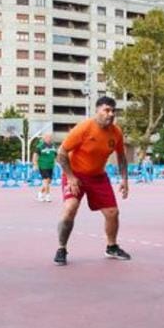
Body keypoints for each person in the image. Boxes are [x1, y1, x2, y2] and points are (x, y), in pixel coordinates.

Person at [54, 96, 131, 265]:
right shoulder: (84, 128)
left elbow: (121, 157)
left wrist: (124, 179)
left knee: (113, 213)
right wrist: (71, 177)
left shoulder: (116, 132)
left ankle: (111, 247)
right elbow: (61, 153)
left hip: (98, 177)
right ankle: (61, 248)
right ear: (97, 111)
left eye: (113, 111)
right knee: (70, 208)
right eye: (106, 110)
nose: (110, 114)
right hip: (76, 174)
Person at [33, 131, 57, 202]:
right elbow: (35, 156)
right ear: (44, 138)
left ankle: (40, 193)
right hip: (43, 166)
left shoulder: (53, 146)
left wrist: (55, 163)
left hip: (50, 166)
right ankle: (47, 196)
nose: (49, 138)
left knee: (48, 182)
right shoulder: (40, 146)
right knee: (46, 181)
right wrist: (35, 164)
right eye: (47, 137)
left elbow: (55, 155)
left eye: (50, 137)